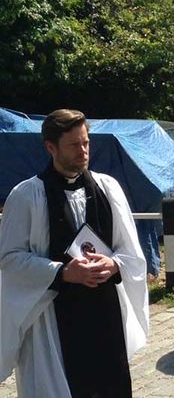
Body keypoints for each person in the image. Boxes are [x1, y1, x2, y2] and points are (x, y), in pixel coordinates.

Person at [0, 109, 149, 397]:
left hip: (105, 316)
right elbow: (9, 258)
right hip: (53, 319)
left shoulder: (109, 188)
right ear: (50, 147)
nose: (83, 151)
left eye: (86, 143)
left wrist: (114, 264)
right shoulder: (27, 195)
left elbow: (131, 253)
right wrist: (62, 272)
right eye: (74, 145)